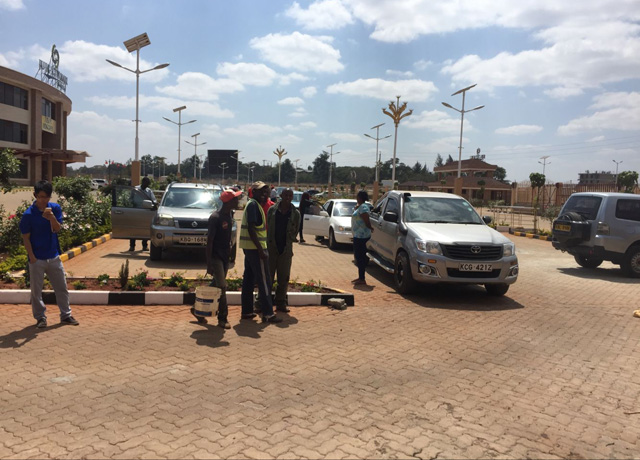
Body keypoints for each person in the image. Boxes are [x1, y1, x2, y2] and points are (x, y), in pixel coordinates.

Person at [19, 180, 79, 328]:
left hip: (53, 256)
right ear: (35, 195)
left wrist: (51, 217)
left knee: (61, 288)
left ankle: (66, 315)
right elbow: (25, 238)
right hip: (37, 258)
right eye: (40, 196)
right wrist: (32, 257)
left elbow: (57, 229)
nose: (43, 200)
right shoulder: (28, 215)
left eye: (46, 197)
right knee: (36, 291)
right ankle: (40, 317)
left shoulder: (55, 209)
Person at [191, 188, 243, 329]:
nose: (237, 201)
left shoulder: (229, 217)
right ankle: (223, 318)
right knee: (222, 286)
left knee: (216, 285)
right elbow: (210, 242)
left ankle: (196, 308)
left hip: (225, 257)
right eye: (235, 199)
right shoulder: (215, 218)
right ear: (229, 202)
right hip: (216, 257)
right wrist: (209, 263)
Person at [239, 181, 282, 323]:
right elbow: (252, 229)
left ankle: (247, 311)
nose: (264, 194)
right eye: (261, 191)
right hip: (255, 249)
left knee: (249, 280)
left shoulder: (253, 204)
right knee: (264, 281)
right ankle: (268, 313)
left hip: (250, 247)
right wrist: (260, 249)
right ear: (253, 192)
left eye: (266, 191)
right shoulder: (253, 205)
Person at [267, 188, 301, 313]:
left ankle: (280, 303)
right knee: (267, 278)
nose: (287, 197)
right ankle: (262, 303)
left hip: (286, 250)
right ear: (281, 195)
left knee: (283, 278)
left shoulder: (295, 214)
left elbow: (296, 229)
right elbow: (268, 227)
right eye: (285, 195)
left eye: (290, 195)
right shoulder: (272, 210)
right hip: (271, 248)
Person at [351, 190, 374, 286]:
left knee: (360, 257)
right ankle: (360, 277)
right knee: (358, 256)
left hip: (361, 236)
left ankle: (362, 279)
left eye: (358, 196)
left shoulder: (363, 207)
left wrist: (370, 227)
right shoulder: (360, 207)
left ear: (360, 198)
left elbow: (366, 219)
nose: (356, 198)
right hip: (358, 235)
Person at [129, 176, 157, 251]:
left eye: (148, 184)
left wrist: (153, 205)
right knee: (134, 229)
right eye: (146, 183)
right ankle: (132, 246)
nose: (147, 185)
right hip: (136, 211)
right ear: (143, 182)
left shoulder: (149, 191)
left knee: (145, 229)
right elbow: (130, 199)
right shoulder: (135, 189)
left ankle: (144, 246)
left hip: (145, 212)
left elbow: (154, 200)